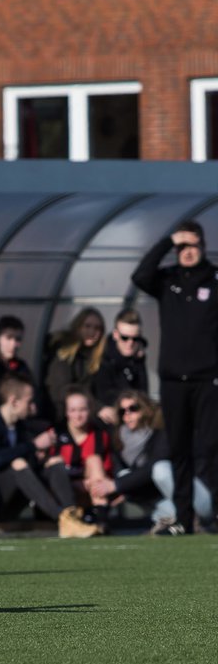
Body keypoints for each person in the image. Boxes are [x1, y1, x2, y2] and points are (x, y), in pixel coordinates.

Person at [131, 220, 218, 534]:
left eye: (192, 246)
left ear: (203, 247)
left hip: (208, 379)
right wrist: (168, 241)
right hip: (172, 381)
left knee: (211, 446)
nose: (187, 252)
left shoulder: (214, 278)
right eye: (182, 247)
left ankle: (214, 512)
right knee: (178, 448)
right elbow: (140, 275)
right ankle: (184, 517)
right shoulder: (167, 280)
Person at [0, 373, 97, 537]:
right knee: (18, 463)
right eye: (29, 401)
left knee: (54, 462)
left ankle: (71, 515)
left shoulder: (19, 426)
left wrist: (39, 457)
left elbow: (23, 459)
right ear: (14, 402)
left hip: (9, 502)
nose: (32, 406)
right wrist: (33, 445)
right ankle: (62, 519)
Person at [86, 390, 211, 536]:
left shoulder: (162, 429)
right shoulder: (120, 437)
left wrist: (116, 485)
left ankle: (189, 519)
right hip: (172, 501)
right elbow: (85, 413)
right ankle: (172, 520)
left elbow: (151, 468)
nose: (127, 414)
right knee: (125, 476)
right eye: (122, 411)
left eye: (133, 409)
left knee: (160, 469)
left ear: (145, 408)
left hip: (200, 496)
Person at [52, 387, 115, 530]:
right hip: (65, 492)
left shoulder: (99, 435)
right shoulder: (55, 435)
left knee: (94, 460)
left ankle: (101, 520)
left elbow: (105, 472)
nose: (78, 415)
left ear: (90, 410)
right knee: (55, 463)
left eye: (82, 410)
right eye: (73, 410)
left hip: (92, 491)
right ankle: (72, 518)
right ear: (66, 412)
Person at [42, 307, 105, 420]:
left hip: (86, 414)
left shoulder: (98, 357)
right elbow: (62, 389)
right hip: (62, 415)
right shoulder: (63, 352)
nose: (92, 332)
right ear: (78, 327)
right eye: (87, 326)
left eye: (97, 328)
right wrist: (98, 408)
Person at [90, 309, 149, 424]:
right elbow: (104, 394)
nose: (130, 343)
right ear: (116, 335)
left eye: (135, 338)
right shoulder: (102, 357)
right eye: (125, 338)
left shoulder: (137, 358)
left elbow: (143, 392)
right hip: (107, 420)